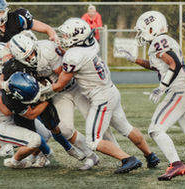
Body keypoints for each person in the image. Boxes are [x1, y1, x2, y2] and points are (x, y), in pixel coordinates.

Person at [43, 17, 159, 174]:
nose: (63, 38)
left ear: (77, 37)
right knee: (126, 128)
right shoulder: (91, 45)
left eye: (67, 35)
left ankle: (128, 159)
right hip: (111, 91)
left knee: (93, 141)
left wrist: (40, 92)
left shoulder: (74, 56)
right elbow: (74, 55)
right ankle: (150, 156)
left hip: (101, 98)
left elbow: (60, 84)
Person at [5, 32, 101, 170]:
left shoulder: (48, 49)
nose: (31, 58)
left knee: (97, 122)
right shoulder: (16, 65)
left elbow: (62, 75)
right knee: (65, 129)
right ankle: (91, 156)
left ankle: (123, 157)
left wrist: (44, 89)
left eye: (32, 53)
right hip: (57, 94)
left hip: (74, 86)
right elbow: (2, 77)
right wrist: (4, 85)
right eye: (26, 57)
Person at [117, 11, 185, 180]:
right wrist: (135, 59)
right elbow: (157, 65)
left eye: (142, 30)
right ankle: (176, 164)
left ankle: (176, 165)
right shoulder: (163, 41)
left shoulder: (158, 42)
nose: (140, 34)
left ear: (152, 29)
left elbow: (175, 64)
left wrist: (162, 87)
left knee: (155, 129)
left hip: (178, 90)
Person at [0, 43, 53, 168]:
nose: (8, 62)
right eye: (4, 59)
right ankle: (14, 162)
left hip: (15, 116)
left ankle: (31, 158)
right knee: (35, 140)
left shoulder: (11, 68)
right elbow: (5, 111)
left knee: (46, 134)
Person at [0, 0, 58, 70]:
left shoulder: (18, 18)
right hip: (8, 65)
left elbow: (47, 29)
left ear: (5, 11)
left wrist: (54, 40)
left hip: (31, 55)